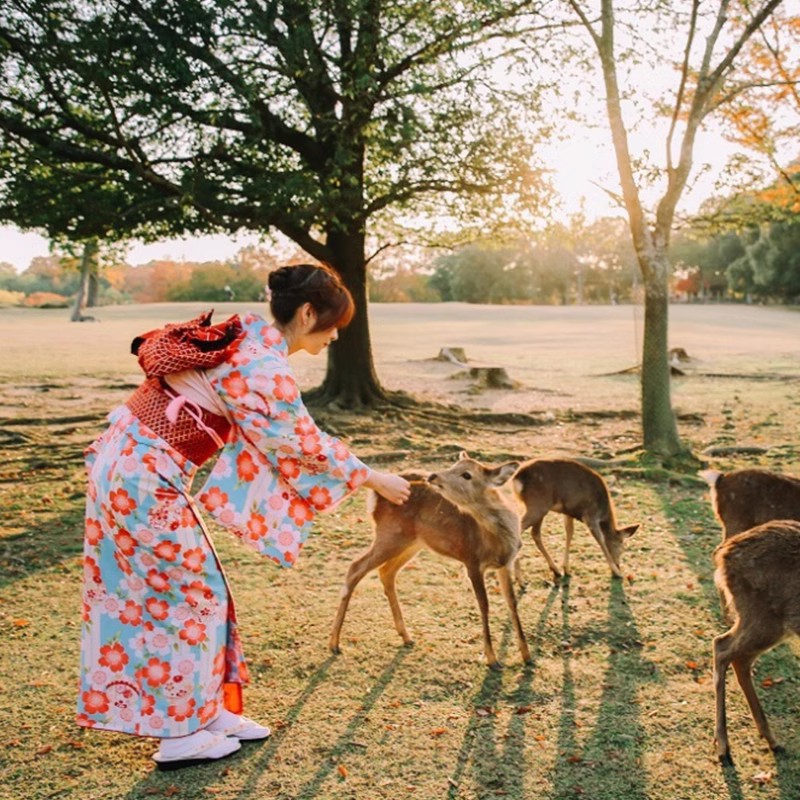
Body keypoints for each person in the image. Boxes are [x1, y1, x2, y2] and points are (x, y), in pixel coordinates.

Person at [77, 263, 411, 770]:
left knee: (200, 590)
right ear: (306, 314)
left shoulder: (250, 337)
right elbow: (298, 442)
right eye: (333, 323)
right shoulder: (259, 364)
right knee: (187, 596)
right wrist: (372, 477)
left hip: (132, 467)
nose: (338, 334)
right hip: (140, 479)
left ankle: (205, 712)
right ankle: (179, 734)